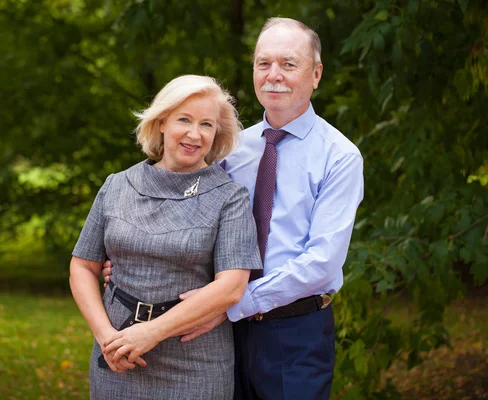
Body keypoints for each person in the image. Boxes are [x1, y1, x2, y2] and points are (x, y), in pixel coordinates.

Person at [103, 17, 364, 400]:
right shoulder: (228, 149)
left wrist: (234, 303)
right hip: (215, 334)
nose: (274, 75)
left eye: (289, 64)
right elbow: (188, 222)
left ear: (316, 74)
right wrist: (130, 260)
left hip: (293, 333)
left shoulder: (339, 157)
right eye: (263, 63)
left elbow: (321, 263)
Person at [69, 74, 262, 400]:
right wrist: (106, 338)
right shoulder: (117, 185)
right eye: (183, 119)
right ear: (161, 122)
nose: (194, 134)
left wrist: (151, 333)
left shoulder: (230, 197)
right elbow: (82, 267)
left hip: (196, 362)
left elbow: (231, 287)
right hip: (117, 355)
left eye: (206, 125)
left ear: (217, 134)